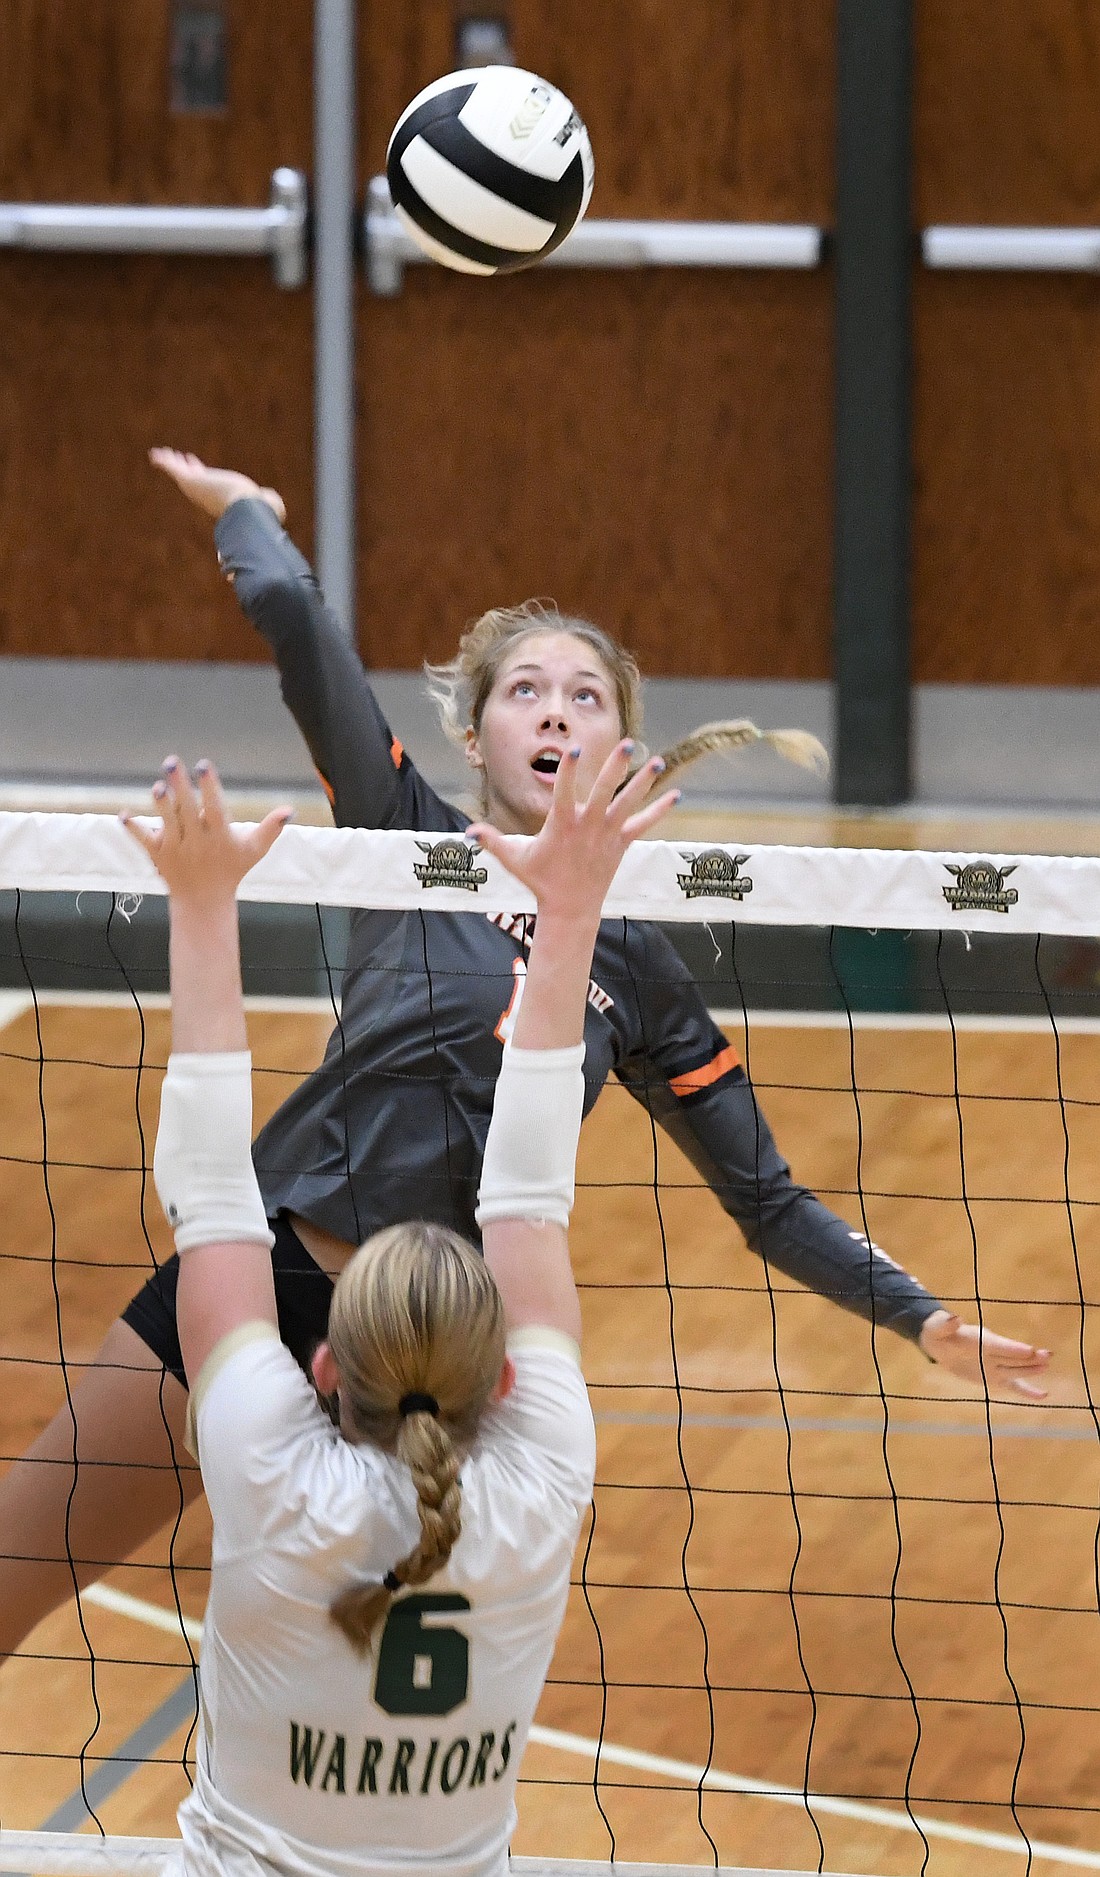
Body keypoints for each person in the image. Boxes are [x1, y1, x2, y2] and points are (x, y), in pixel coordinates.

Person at [0, 456, 1050, 1662]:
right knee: (18, 1566)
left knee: (344, 1683)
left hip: (432, 1367)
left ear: (623, 745)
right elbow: (297, 624)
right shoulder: (405, 839)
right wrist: (246, 512)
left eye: (588, 694)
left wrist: (918, 1315)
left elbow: (764, 1199)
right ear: (475, 729)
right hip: (265, 1277)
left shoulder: (639, 965)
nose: (557, 709)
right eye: (526, 689)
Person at [123, 740, 672, 1877]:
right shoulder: (538, 1479)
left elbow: (225, 1188)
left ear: (321, 1366)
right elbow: (525, 1192)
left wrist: (201, 902)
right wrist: (569, 917)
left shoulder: (276, 1471)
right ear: (504, 1383)